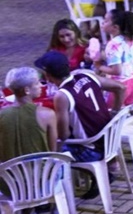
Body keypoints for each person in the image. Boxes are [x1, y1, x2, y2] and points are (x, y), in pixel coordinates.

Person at [36, 51, 124, 199]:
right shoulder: (85, 75)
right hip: (109, 141)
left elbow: (63, 135)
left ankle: (52, 198)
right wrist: (115, 112)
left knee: (45, 149)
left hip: (91, 149)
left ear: (47, 75)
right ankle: (102, 173)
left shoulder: (62, 95)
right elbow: (121, 87)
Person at [1, 67, 60, 214]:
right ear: (26, 90)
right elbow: (52, 151)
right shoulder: (47, 114)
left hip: (10, 184)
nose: (41, 86)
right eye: (36, 83)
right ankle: (55, 210)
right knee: (59, 164)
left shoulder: (2, 116)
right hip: (42, 183)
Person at [95, 9, 133, 107]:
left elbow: (117, 71)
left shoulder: (113, 44)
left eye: (106, 20)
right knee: (132, 113)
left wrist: (98, 66)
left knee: (113, 114)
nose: (103, 22)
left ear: (115, 27)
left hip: (119, 85)